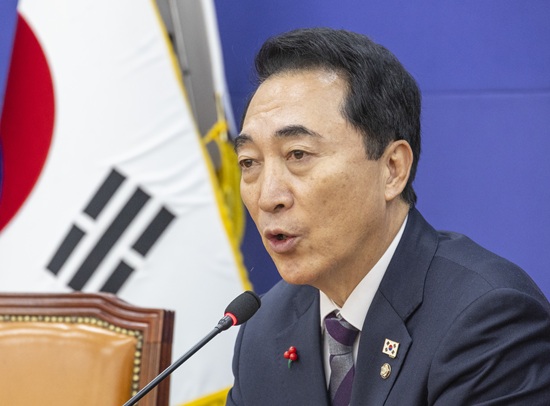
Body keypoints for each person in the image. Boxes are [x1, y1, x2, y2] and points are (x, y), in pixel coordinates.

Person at [227, 27, 550, 405]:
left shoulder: (486, 319)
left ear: (393, 169)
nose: (268, 197)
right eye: (249, 162)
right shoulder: (263, 329)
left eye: (298, 154)